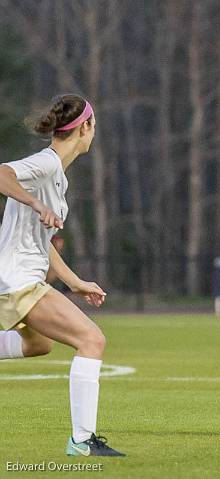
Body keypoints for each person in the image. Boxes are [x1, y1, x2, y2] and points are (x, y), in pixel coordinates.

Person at [0, 94, 124, 456]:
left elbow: (43, 245)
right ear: (84, 128)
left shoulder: (57, 178)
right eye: (94, 126)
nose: (93, 133)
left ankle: (82, 441)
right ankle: (82, 442)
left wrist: (74, 282)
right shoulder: (47, 164)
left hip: (20, 278)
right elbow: (2, 174)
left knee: (39, 344)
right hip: (17, 281)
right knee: (92, 340)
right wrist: (34, 203)